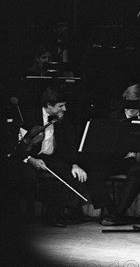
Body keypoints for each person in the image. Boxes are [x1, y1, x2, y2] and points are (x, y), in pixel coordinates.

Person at [14, 85, 87, 227]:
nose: (64, 109)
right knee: (28, 179)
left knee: (74, 177)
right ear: (49, 105)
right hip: (28, 158)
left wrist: (74, 164)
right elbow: (18, 146)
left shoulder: (62, 118)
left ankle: (53, 213)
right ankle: (28, 212)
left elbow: (71, 143)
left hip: (50, 157)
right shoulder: (29, 117)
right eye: (60, 106)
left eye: (64, 106)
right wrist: (31, 159)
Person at [85, 84, 140, 226]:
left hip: (135, 160)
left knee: (138, 172)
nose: (130, 110)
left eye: (135, 106)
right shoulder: (113, 117)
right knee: (93, 173)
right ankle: (112, 210)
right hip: (116, 159)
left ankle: (118, 213)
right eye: (128, 105)